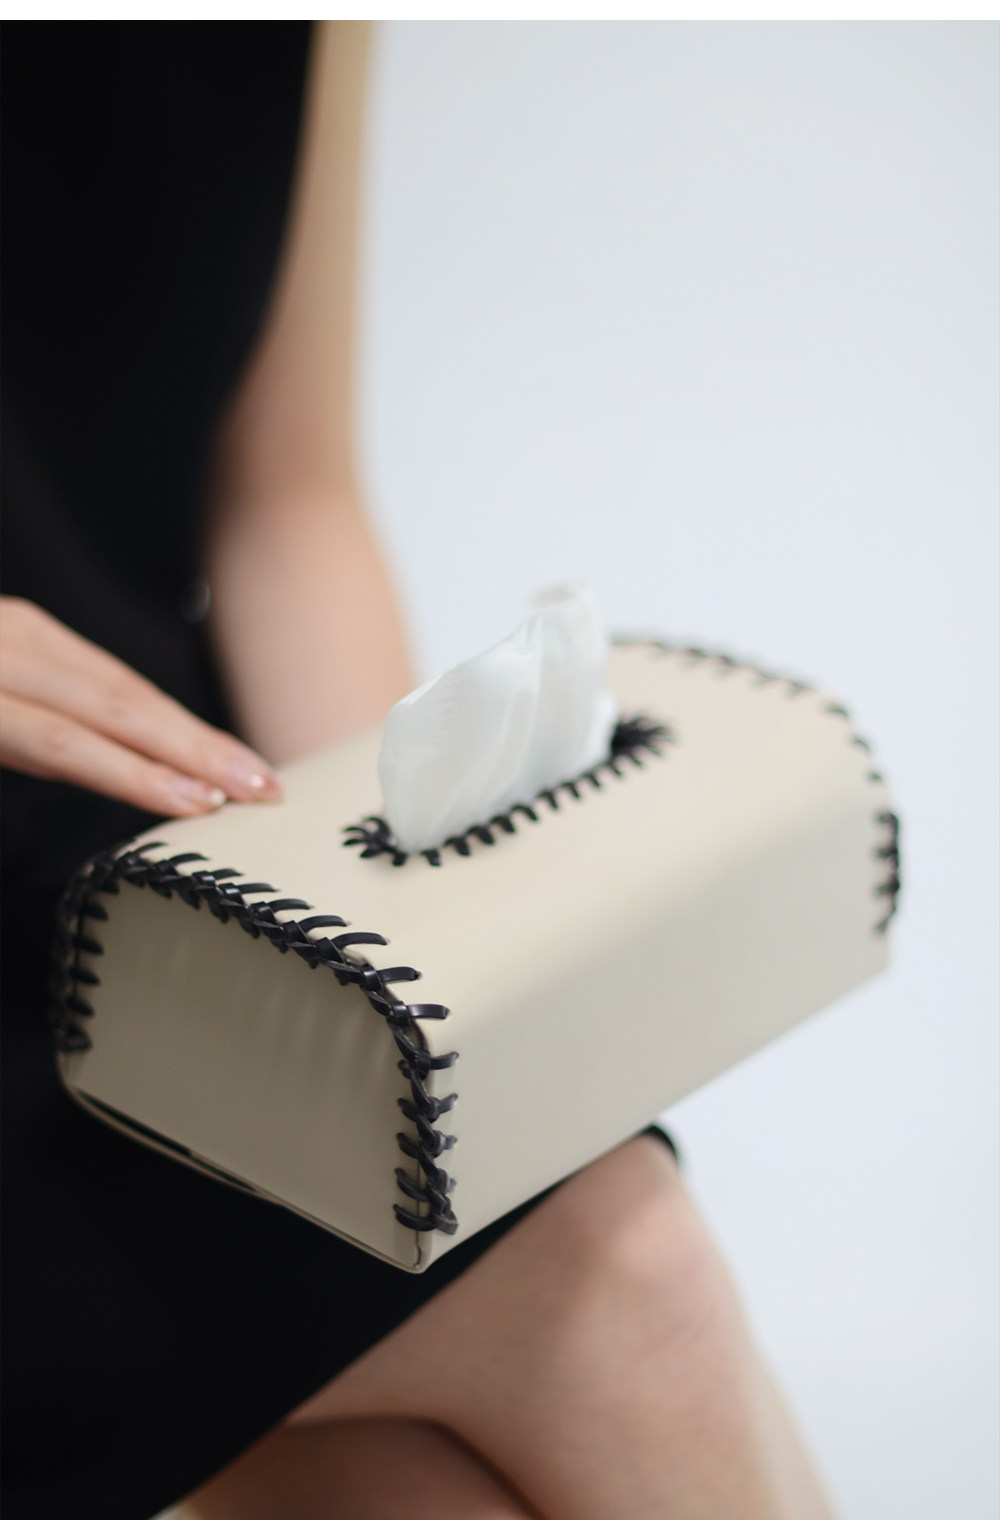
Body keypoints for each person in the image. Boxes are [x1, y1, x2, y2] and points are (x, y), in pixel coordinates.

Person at [1, 21, 834, 1519]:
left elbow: (284, 499)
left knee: (430, 1472)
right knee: (624, 1280)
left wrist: (411, 924)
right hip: (68, 978)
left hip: (170, 871)